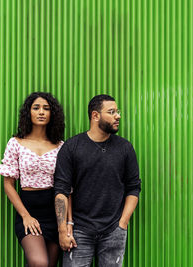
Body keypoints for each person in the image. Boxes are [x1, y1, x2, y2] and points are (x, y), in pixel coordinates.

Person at [54, 94, 142, 267]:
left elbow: (133, 188)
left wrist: (122, 224)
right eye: (111, 112)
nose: (118, 116)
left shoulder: (125, 148)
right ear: (95, 116)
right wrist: (62, 230)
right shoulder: (72, 147)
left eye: (117, 111)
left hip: (113, 230)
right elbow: (61, 190)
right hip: (78, 231)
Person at [0, 92, 70, 267]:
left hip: (55, 212)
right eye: (36, 108)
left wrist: (67, 222)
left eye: (46, 108)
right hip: (28, 210)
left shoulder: (60, 146)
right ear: (28, 113)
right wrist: (25, 216)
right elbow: (8, 184)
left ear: (52, 114)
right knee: (39, 262)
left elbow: (67, 187)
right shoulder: (16, 143)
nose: (41, 112)